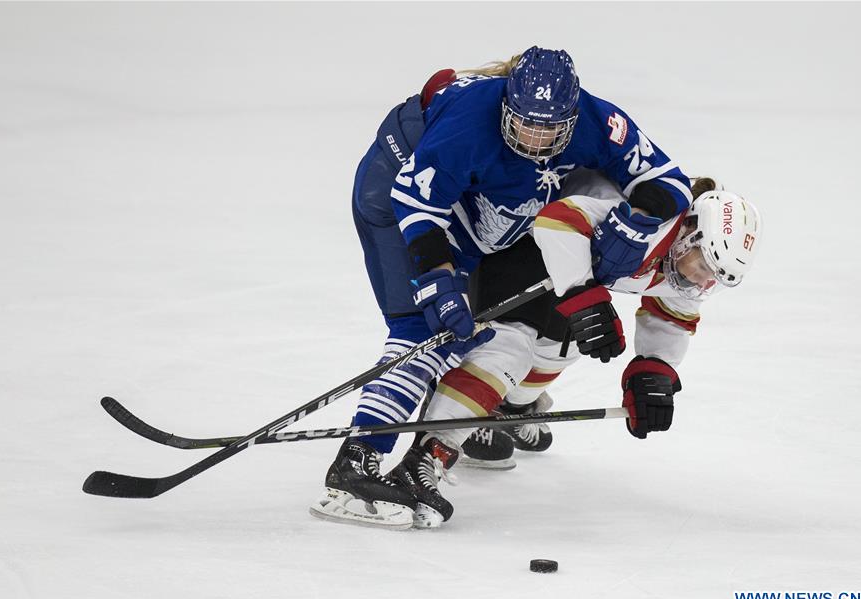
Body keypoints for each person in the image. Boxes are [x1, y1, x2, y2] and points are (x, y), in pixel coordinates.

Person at [310, 47, 692, 529]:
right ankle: (355, 463)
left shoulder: (599, 119)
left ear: (573, 118)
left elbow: (670, 181)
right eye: (526, 124)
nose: (536, 138)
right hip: (397, 197)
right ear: (508, 105)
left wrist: (638, 217)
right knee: (423, 326)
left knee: (471, 333)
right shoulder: (469, 123)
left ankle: (469, 420)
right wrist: (436, 279)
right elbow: (415, 200)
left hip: (476, 211)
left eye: (551, 129)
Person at [383, 172, 763, 528]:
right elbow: (557, 222)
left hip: (577, 272)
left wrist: (653, 371)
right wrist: (584, 297)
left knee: (565, 346)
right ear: (689, 233)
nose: (701, 280)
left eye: (713, 276)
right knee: (507, 351)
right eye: (703, 264)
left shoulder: (687, 267)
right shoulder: (653, 214)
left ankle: (504, 409)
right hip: (521, 244)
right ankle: (427, 455)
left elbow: (672, 312)